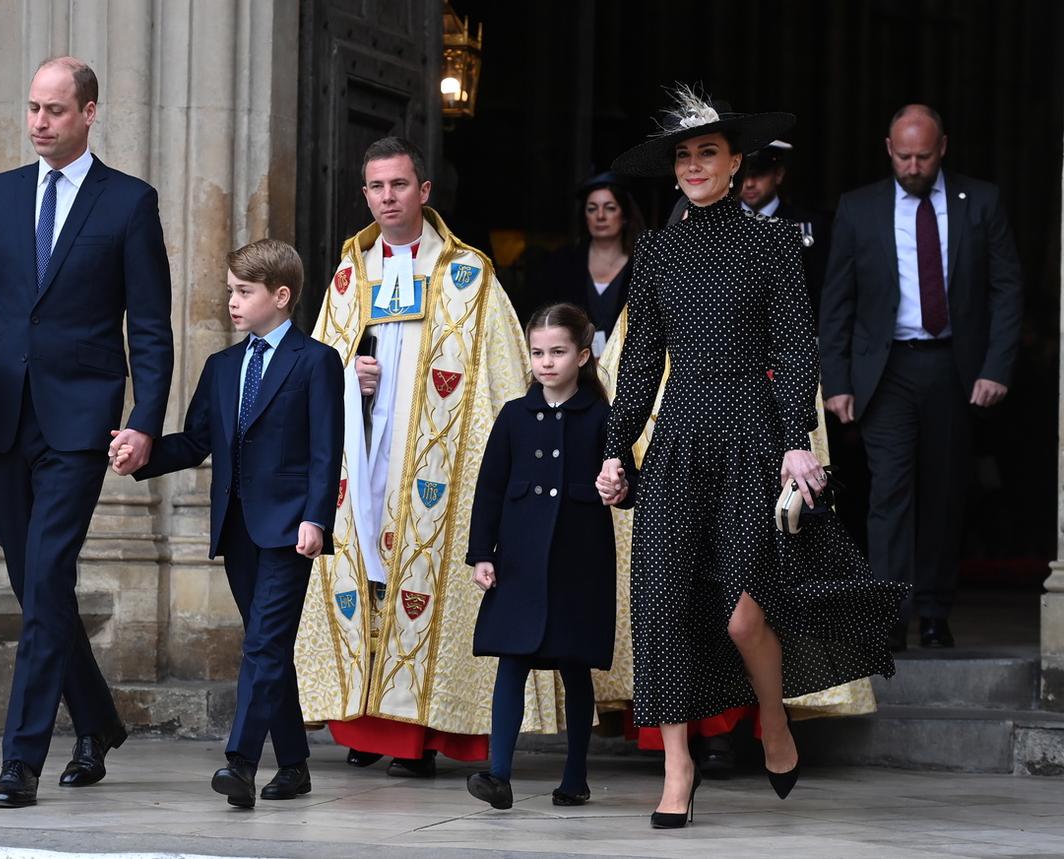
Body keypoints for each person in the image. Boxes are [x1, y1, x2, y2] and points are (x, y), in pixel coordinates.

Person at [598, 86, 905, 829]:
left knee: (743, 618)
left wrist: (796, 440)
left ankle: (772, 714)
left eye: (710, 152)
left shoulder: (772, 244)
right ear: (674, 173)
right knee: (663, 608)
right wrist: (615, 451)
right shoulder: (657, 251)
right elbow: (640, 362)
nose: (696, 165)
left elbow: (797, 346)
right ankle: (678, 768)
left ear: (737, 164)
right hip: (675, 441)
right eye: (685, 156)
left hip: (752, 437)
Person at [0, 57, 174, 808]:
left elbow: (152, 330)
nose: (39, 122)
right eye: (32, 108)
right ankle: (97, 721)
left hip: (79, 423)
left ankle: (20, 760)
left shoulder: (130, 203)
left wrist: (142, 423)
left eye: (55, 110)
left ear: (89, 112)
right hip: (2, 412)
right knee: (30, 580)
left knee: (44, 577)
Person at [294, 137, 556, 777]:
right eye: (377, 188)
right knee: (368, 573)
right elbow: (317, 365)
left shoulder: (470, 275)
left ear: (425, 191)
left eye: (400, 185)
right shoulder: (351, 274)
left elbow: (504, 379)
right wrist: (346, 377)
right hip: (368, 452)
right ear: (365, 195)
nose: (388, 198)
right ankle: (368, 719)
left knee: (428, 580)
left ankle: (422, 733)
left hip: (439, 465)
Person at [112, 239, 343, 808]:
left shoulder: (315, 362)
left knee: (263, 644)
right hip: (236, 527)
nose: (233, 303)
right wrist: (141, 453)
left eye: (245, 292)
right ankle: (293, 764)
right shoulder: (221, 367)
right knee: (271, 647)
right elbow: (194, 443)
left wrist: (317, 518)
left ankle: (239, 762)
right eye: (231, 291)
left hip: (291, 529)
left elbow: (325, 450)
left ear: (281, 296)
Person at [820, 105, 1023, 651]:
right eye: (904, 155)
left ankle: (935, 611)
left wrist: (995, 367)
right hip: (886, 371)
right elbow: (837, 301)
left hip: (954, 366)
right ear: (888, 148)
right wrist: (836, 380)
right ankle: (889, 615)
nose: (913, 166)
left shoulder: (981, 201)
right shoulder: (858, 208)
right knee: (890, 493)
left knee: (945, 491)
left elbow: (1007, 290)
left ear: (944, 148)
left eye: (924, 156)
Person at [464, 303, 636, 810]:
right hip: (517, 558)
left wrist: (618, 486)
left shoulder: (605, 418)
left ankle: (575, 774)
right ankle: (498, 774)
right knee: (511, 660)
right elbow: (489, 488)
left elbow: (626, 485)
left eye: (558, 351)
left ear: (583, 355)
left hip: (579, 560)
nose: (546, 362)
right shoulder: (514, 416)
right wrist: (482, 554)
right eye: (538, 352)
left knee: (574, 664)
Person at [536, 173, 645, 355]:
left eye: (610, 208)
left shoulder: (643, 266)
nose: (600, 216)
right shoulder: (563, 263)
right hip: (572, 369)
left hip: (628, 368)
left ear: (625, 215)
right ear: (584, 216)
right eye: (592, 209)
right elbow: (544, 318)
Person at [738, 141, 830, 319]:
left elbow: (822, 291)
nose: (749, 183)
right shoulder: (722, 222)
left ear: (778, 175)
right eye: (743, 176)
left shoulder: (811, 225)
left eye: (759, 175)